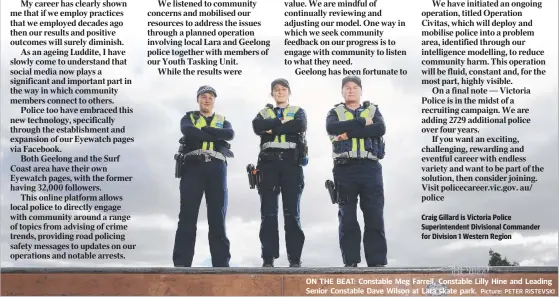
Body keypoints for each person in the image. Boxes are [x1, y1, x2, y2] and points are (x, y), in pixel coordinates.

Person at [325, 76, 387, 267]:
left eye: (354, 87)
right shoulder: (334, 112)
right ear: (342, 92)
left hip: (370, 168)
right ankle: (350, 263)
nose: (351, 90)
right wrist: (362, 123)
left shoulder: (374, 110)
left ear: (361, 90)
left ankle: (376, 263)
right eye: (347, 87)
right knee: (347, 217)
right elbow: (332, 128)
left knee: (374, 215)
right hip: (344, 169)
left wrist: (349, 132)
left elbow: (380, 128)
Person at [173, 85, 234, 267]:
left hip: (217, 167)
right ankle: (181, 265)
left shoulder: (223, 120)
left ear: (214, 101)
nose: (206, 99)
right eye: (203, 96)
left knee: (217, 217)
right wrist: (216, 136)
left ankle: (221, 265)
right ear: (198, 99)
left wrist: (205, 133)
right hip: (193, 166)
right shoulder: (189, 117)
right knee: (187, 216)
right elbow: (188, 131)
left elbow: (230, 134)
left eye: (210, 97)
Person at [251, 78, 308, 267]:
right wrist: (281, 121)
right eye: (276, 89)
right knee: (268, 213)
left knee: (292, 213)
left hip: (291, 164)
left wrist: (272, 128)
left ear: (289, 92)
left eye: (284, 89)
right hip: (268, 165)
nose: (280, 92)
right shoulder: (263, 112)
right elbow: (257, 127)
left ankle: (295, 259)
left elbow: (298, 126)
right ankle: (268, 258)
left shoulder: (299, 111)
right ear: (272, 93)